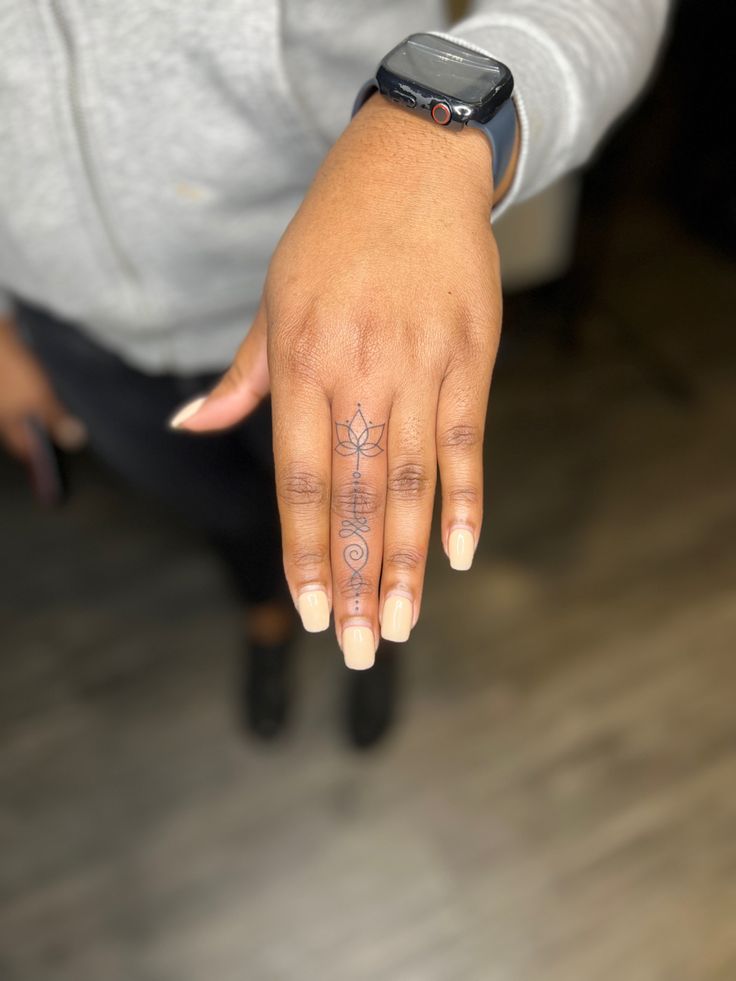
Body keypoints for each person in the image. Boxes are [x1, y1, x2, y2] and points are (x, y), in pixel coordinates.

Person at [0, 0, 670, 746]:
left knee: (368, 528)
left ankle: (371, 635)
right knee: (226, 514)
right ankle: (267, 613)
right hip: (80, 336)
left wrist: (433, 140)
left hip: (343, 327)